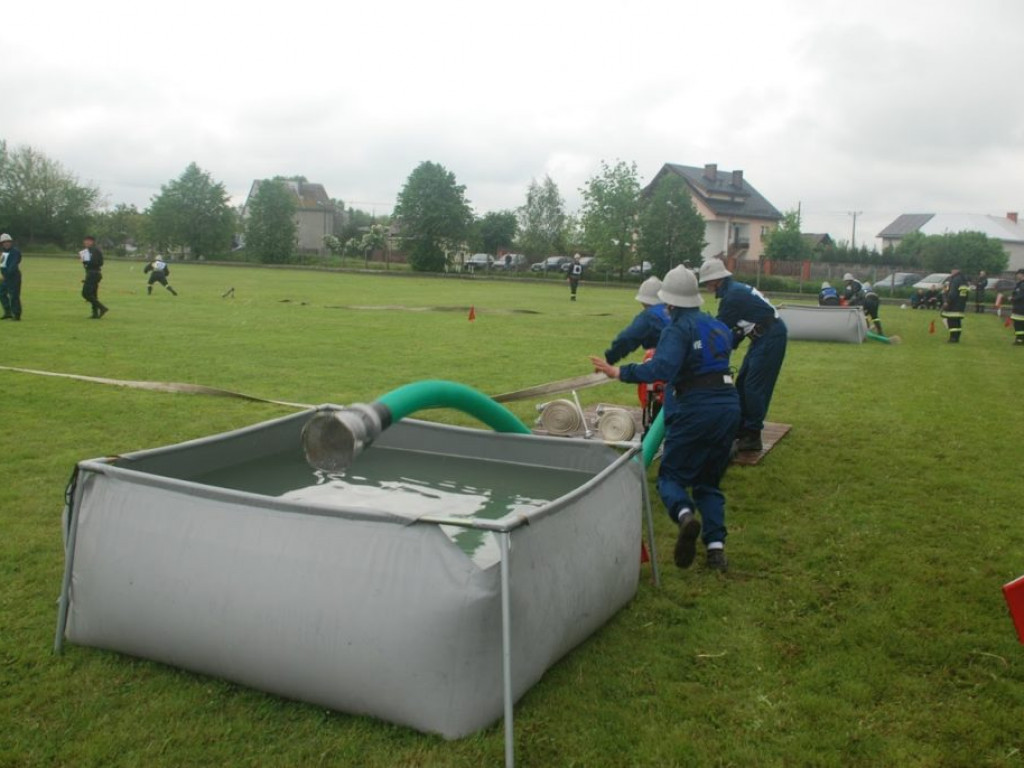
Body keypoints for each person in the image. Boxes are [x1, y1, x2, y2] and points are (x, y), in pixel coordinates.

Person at [590, 265, 740, 572]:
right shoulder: (716, 325)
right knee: (709, 482)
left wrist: (619, 371)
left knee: (671, 477)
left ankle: (685, 516)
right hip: (728, 407)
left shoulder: (677, 328)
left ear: (669, 302)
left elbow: (662, 369)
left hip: (695, 407)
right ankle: (715, 551)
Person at [698, 257, 787, 453]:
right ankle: (742, 428)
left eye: (706, 283)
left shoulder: (732, 297)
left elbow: (719, 331)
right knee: (743, 382)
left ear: (715, 280)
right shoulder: (734, 291)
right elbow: (737, 330)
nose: (706, 287)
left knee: (754, 387)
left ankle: (752, 436)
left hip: (770, 337)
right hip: (763, 336)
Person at [604, 276, 671, 431]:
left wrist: (610, 359)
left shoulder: (650, 316)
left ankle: (651, 431)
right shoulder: (674, 311)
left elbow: (627, 338)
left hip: (668, 368)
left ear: (643, 301)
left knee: (650, 379)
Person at [79, 235, 108, 319]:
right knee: (93, 294)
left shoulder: (95, 251)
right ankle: (95, 313)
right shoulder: (85, 251)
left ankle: (102, 308)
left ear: (92, 242)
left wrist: (87, 261)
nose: (87, 242)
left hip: (94, 274)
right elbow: (86, 265)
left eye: (89, 241)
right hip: (91, 273)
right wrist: (84, 261)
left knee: (85, 294)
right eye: (85, 241)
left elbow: (100, 263)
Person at [941, 268, 969, 343]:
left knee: (952, 322)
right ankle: (956, 338)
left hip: (953, 305)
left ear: (956, 271)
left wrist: (947, 301)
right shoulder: (964, 280)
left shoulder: (955, 280)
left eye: (952, 270)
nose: (951, 272)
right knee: (957, 322)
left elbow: (952, 293)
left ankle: (952, 338)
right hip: (961, 304)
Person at [0, 233, 23, 321]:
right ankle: (8, 312)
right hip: (4, 278)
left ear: (11, 242)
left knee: (14, 296)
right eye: (4, 242)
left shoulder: (15, 252)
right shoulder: (2, 252)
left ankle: (16, 315)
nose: (6, 243)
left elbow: (13, 265)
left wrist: (7, 274)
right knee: (1, 293)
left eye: (8, 242)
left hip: (14, 277)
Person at [1010, 268, 1024, 346]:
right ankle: (1020, 339)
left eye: (1018, 274)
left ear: (1022, 275)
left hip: (1020, 308)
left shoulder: (1022, 285)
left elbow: (1021, 295)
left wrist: (1012, 298)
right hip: (1019, 307)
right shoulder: (1020, 284)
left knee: (1018, 324)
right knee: (1020, 324)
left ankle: (1019, 340)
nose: (1017, 275)